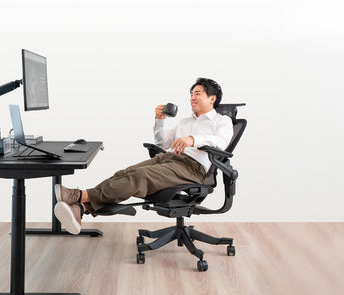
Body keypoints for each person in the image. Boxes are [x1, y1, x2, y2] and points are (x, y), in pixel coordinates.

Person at [54, 78, 234, 234]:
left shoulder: (222, 120)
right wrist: (159, 121)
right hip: (168, 158)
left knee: (139, 177)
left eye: (198, 93)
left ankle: (78, 195)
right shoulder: (185, 122)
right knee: (124, 173)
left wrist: (193, 139)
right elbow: (162, 142)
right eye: (191, 94)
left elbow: (222, 142)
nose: (192, 98)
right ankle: (81, 209)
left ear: (212, 98)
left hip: (192, 168)